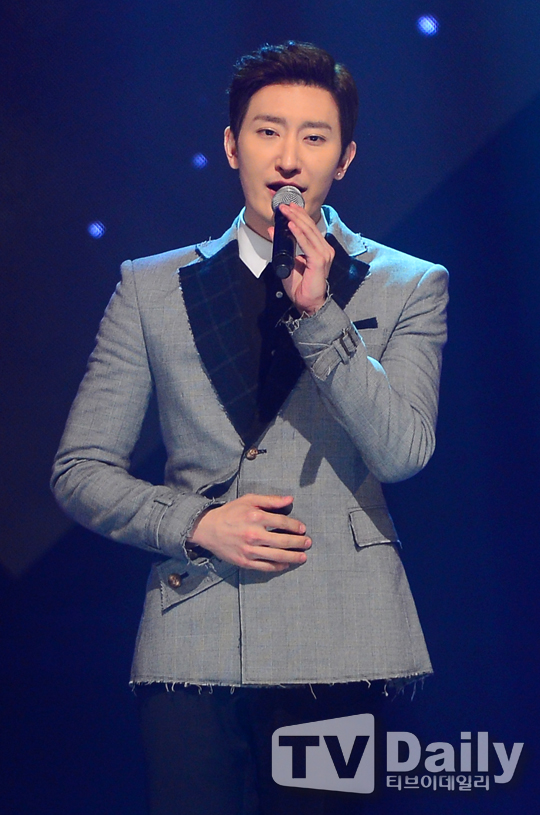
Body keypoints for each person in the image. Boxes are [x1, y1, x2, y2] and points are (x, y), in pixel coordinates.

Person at [52, 41, 448, 815]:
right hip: (195, 635)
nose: (288, 158)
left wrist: (320, 312)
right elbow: (81, 468)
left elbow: (403, 452)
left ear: (346, 157)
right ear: (233, 145)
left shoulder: (408, 283)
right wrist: (195, 523)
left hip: (342, 637)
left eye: (314, 136)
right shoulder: (150, 287)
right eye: (268, 131)